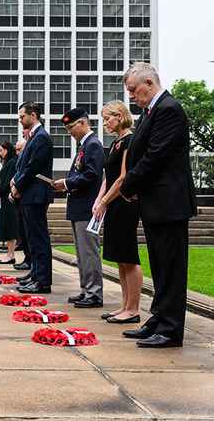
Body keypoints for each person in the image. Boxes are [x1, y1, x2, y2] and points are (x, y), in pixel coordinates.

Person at [119, 62, 197, 348]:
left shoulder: (168, 110)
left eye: (133, 90)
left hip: (170, 203)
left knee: (172, 268)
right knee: (161, 267)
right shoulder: (152, 111)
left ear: (149, 83)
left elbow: (155, 156)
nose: (132, 96)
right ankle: (159, 318)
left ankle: (171, 328)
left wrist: (128, 185)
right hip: (156, 202)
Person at [92, 100, 142, 324]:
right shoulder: (114, 144)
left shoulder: (130, 141)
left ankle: (133, 309)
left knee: (129, 256)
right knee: (120, 258)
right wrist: (99, 200)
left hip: (125, 203)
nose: (105, 123)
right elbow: (108, 176)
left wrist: (104, 200)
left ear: (120, 116)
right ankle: (124, 306)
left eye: (107, 118)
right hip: (113, 202)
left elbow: (123, 178)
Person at [53, 109, 105, 308]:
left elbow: (92, 175)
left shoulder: (93, 145)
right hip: (79, 206)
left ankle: (94, 293)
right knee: (81, 252)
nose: (69, 132)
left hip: (87, 207)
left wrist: (66, 183)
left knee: (89, 251)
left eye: (71, 127)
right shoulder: (84, 146)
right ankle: (86, 290)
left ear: (83, 123)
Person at [10, 101, 54, 294]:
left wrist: (17, 186)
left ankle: (42, 280)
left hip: (36, 194)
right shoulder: (34, 137)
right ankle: (36, 275)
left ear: (33, 115)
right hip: (29, 194)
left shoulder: (41, 138)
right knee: (32, 238)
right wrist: (15, 183)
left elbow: (33, 167)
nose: (20, 120)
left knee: (39, 238)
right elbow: (23, 166)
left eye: (22, 116)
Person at [0, 141, 20, 265]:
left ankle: (11, 255)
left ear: (7, 150)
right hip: (5, 199)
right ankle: (9, 254)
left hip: (9, 199)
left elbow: (7, 182)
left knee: (10, 227)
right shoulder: (9, 163)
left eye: (1, 150)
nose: (0, 153)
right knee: (7, 226)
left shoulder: (12, 162)